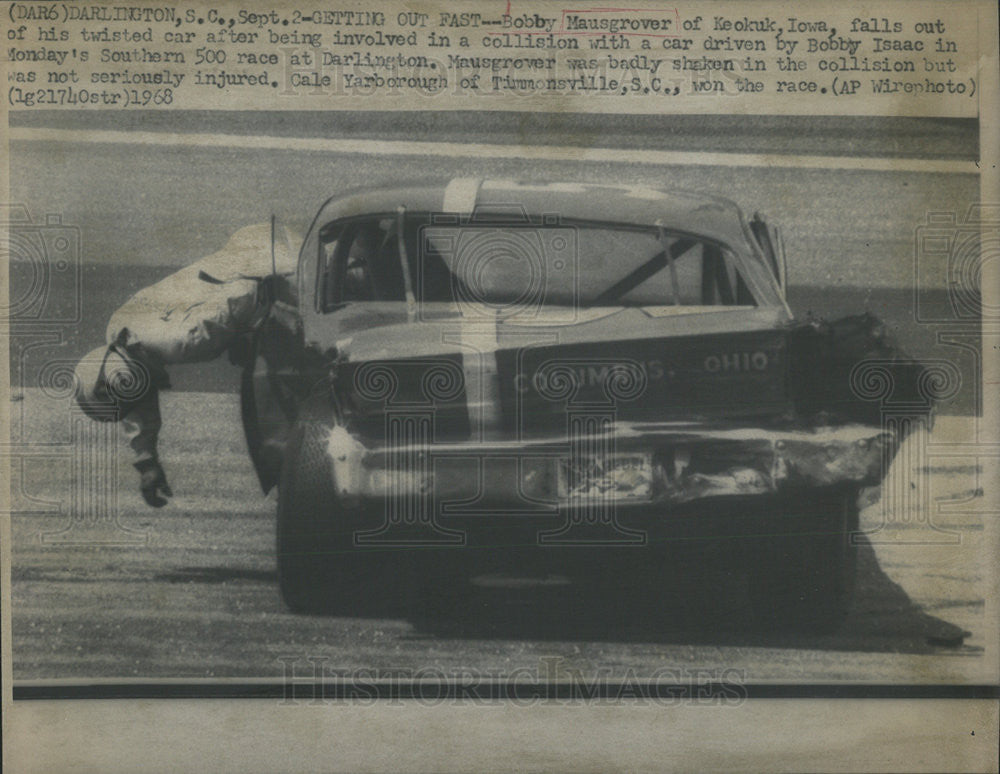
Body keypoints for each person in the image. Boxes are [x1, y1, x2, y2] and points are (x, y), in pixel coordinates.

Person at [73, 223, 296, 507]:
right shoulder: (120, 333)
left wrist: (250, 335)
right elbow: (135, 398)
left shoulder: (184, 341)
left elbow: (249, 293)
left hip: (279, 266)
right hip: (255, 249)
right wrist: (146, 462)